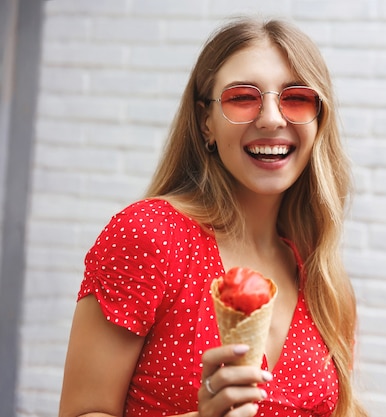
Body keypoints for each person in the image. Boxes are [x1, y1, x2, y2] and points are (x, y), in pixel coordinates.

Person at [59, 17, 368, 417]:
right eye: (243, 97)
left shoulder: (327, 284)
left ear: (317, 120)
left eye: (296, 98)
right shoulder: (150, 235)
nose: (272, 118)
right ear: (207, 122)